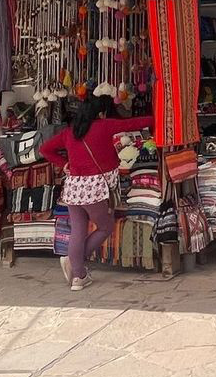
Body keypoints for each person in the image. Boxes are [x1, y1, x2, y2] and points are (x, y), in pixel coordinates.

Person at [39, 97, 151, 291]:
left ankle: (77, 274)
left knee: (78, 231)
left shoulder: (69, 132)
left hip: (73, 188)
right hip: (94, 187)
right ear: (100, 114)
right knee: (105, 226)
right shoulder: (104, 125)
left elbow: (44, 149)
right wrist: (157, 118)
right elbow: (132, 123)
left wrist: (63, 164)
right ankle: (77, 268)